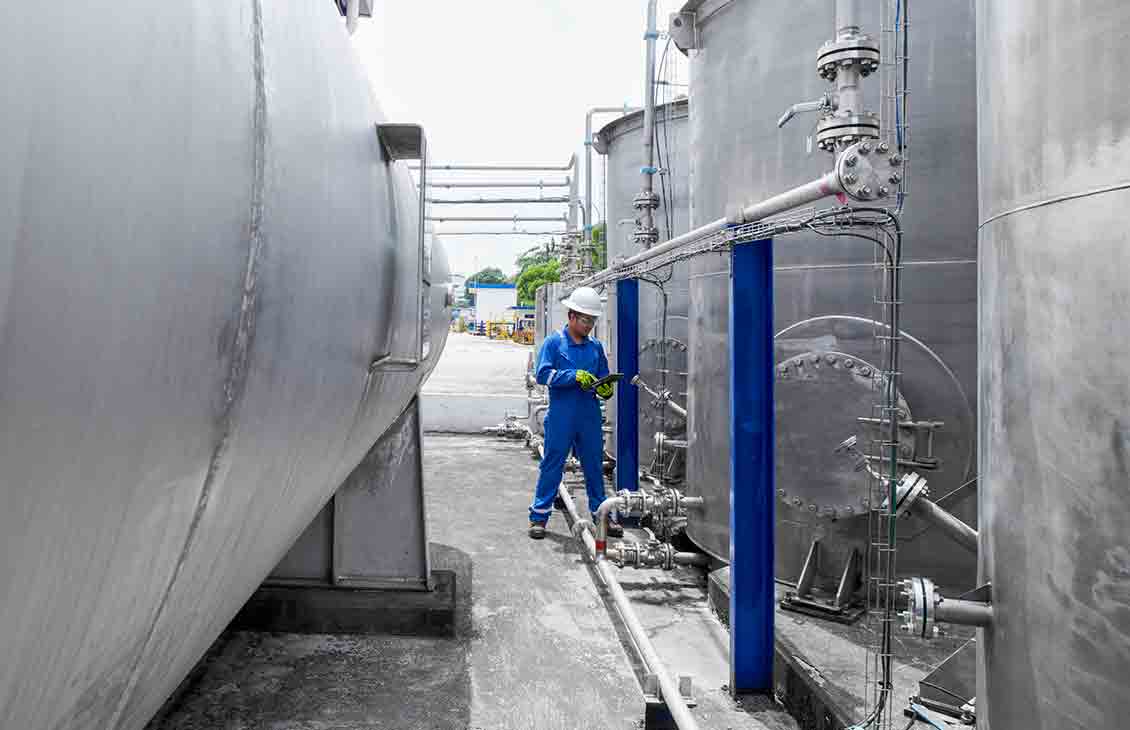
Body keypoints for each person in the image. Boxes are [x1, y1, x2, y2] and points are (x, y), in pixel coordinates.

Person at [527, 286, 620, 539]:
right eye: (585, 319)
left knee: (593, 466)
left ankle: (601, 516)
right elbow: (542, 374)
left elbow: (602, 376)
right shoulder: (554, 343)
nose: (589, 325)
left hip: (589, 414)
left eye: (592, 320)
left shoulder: (596, 348)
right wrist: (572, 376)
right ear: (571, 316)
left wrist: (606, 388)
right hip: (562, 414)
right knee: (552, 465)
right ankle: (539, 517)